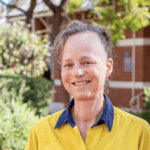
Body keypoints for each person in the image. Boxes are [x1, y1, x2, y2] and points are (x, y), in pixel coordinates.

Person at [25, 20, 150, 150]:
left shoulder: (139, 132)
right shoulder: (40, 132)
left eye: (87, 62)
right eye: (68, 65)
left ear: (108, 67)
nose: (77, 72)